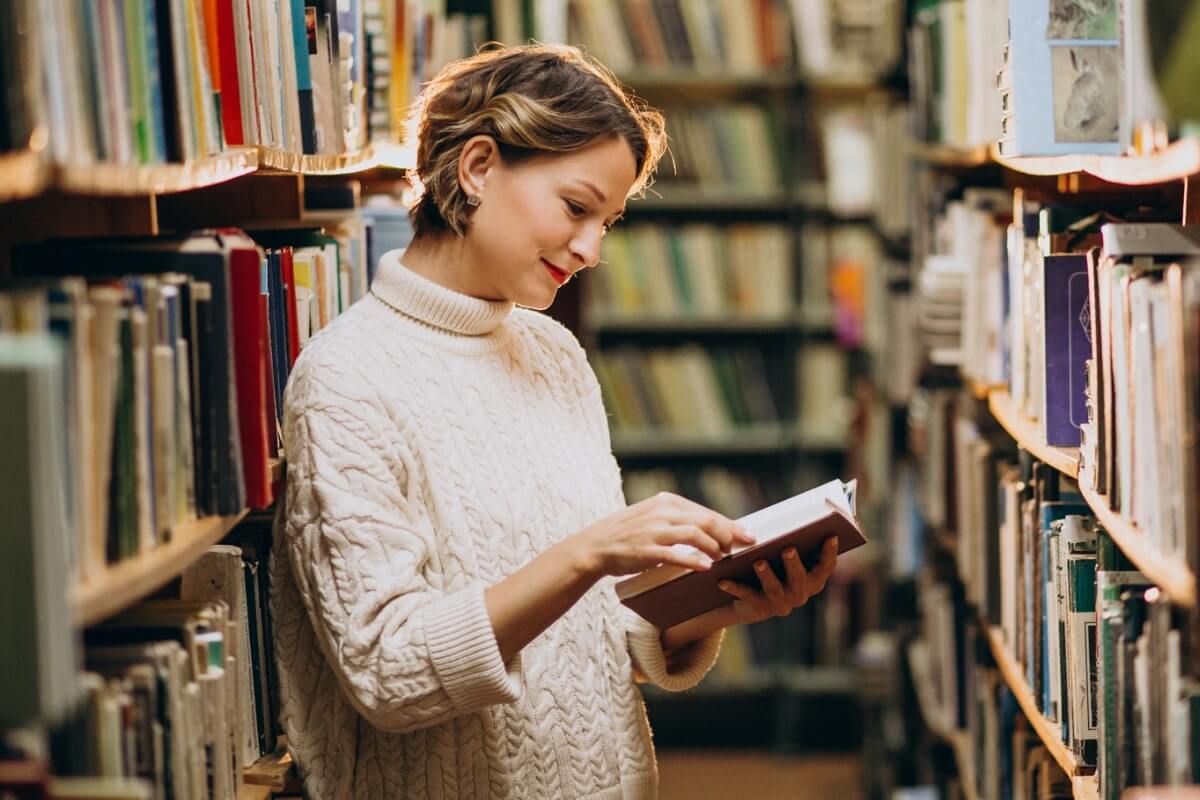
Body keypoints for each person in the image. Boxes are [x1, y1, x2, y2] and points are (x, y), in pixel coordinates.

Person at [270, 43, 839, 800]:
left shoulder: (553, 352)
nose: (591, 248)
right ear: (477, 168)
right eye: (576, 208)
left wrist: (712, 605)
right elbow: (389, 672)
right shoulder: (346, 380)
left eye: (607, 221)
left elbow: (599, 637)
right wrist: (587, 554)